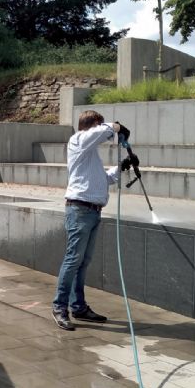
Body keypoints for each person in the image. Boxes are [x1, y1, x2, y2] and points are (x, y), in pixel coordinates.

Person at [51, 110, 129, 331]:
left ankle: (78, 307)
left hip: (92, 211)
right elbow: (100, 132)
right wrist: (116, 127)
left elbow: (104, 179)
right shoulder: (78, 140)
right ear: (94, 124)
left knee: (82, 261)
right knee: (73, 259)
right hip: (79, 210)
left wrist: (122, 167)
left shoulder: (90, 153)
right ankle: (59, 307)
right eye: (100, 125)